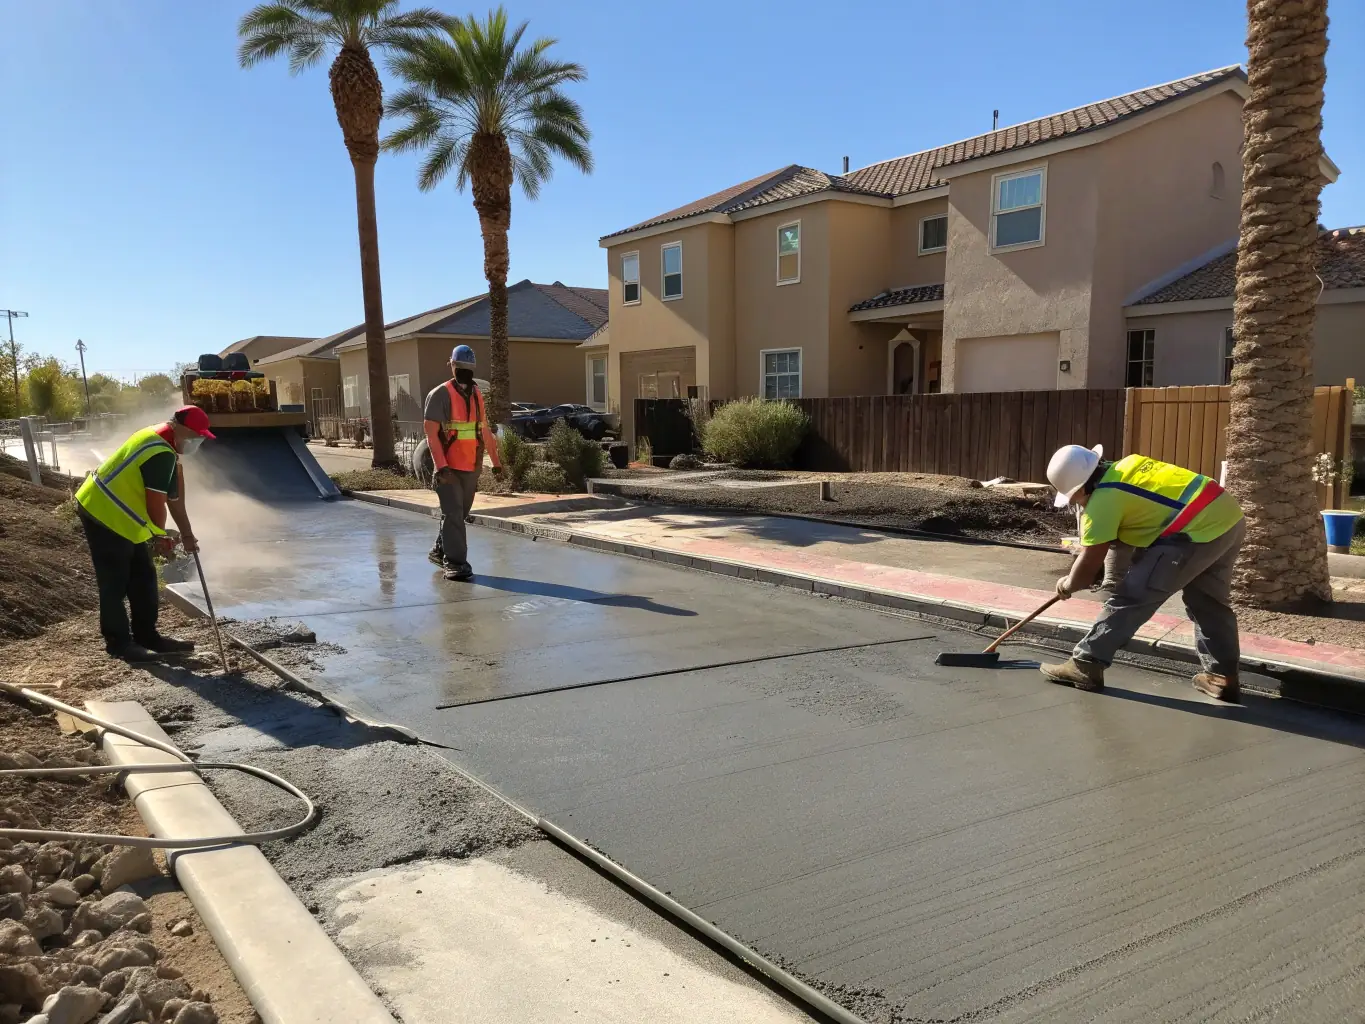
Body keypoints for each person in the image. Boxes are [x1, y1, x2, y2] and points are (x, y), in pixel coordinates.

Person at [1041, 444, 1246, 701]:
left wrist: (1067, 585)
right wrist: (1111, 577)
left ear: (1081, 489)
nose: (1076, 505)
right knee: (1208, 602)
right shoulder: (1128, 466)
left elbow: (1087, 568)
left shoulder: (1101, 503)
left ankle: (1086, 663)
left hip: (1191, 534)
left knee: (1134, 597)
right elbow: (1122, 539)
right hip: (1228, 518)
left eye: (1074, 499)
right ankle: (1222, 678)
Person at [75, 406, 213, 661]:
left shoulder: (165, 446)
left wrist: (187, 535)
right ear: (179, 428)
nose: (196, 441)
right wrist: (159, 536)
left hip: (123, 514)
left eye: (201, 437)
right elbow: (156, 504)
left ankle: (147, 636)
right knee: (115, 579)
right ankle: (119, 644)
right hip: (102, 510)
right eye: (195, 435)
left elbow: (175, 501)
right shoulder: (160, 453)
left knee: (144, 576)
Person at [423, 345, 503, 581]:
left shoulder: (477, 394)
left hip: (471, 466)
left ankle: (440, 550)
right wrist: (441, 467)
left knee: (458, 514)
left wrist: (496, 462)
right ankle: (456, 563)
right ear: (452, 366)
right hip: (448, 469)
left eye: (468, 368)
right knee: (454, 513)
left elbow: (484, 430)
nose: (464, 372)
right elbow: (431, 434)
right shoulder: (440, 394)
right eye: (461, 367)